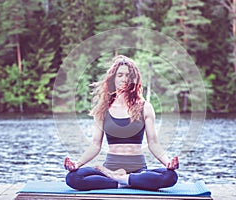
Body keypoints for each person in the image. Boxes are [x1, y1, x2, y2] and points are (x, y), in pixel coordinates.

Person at [64, 55, 179, 191]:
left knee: (171, 176)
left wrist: (168, 163)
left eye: (128, 76)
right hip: (109, 170)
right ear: (113, 78)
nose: (124, 79)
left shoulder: (145, 107)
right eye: (120, 75)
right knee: (72, 178)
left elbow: (153, 143)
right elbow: (95, 145)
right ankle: (124, 182)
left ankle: (123, 180)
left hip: (138, 171)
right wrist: (77, 164)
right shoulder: (103, 108)